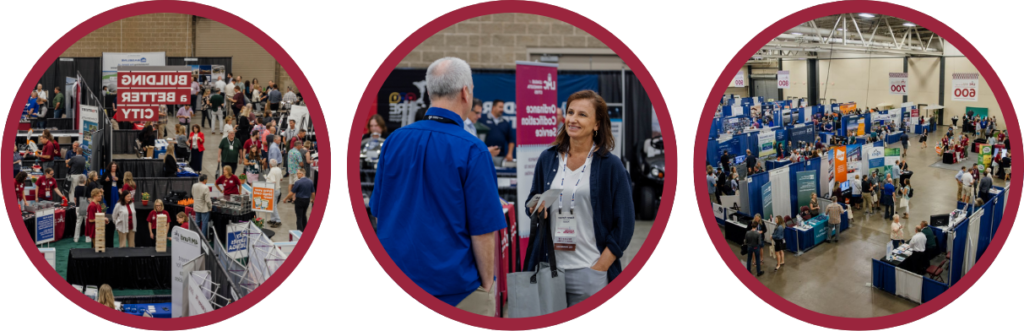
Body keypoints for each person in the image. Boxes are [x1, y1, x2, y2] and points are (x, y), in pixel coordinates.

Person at [369, 57, 506, 315]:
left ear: (430, 92)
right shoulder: (473, 150)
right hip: (456, 290)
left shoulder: (394, 141)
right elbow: (483, 230)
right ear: (465, 92)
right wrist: (488, 284)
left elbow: (378, 210)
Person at [525, 89, 634, 307]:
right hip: (549, 268)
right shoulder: (548, 158)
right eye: (570, 112)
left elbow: (625, 223)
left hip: (589, 270)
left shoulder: (610, 166)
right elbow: (531, 200)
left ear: (596, 124)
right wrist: (535, 207)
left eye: (582, 115)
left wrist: (601, 266)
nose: (573, 119)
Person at [482, 99, 515, 166]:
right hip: (485, 155)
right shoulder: (482, 120)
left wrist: (509, 153)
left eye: (503, 107)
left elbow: (511, 140)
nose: (502, 110)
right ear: (493, 107)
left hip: (500, 157)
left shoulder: (505, 123)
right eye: (500, 107)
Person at [265, 158, 284, 227]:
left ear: (270, 164)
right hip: (277, 189)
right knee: (272, 205)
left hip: (273, 190)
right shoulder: (278, 169)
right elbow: (281, 178)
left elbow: (273, 181)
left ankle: (278, 221)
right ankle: (273, 219)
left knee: (273, 206)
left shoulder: (272, 171)